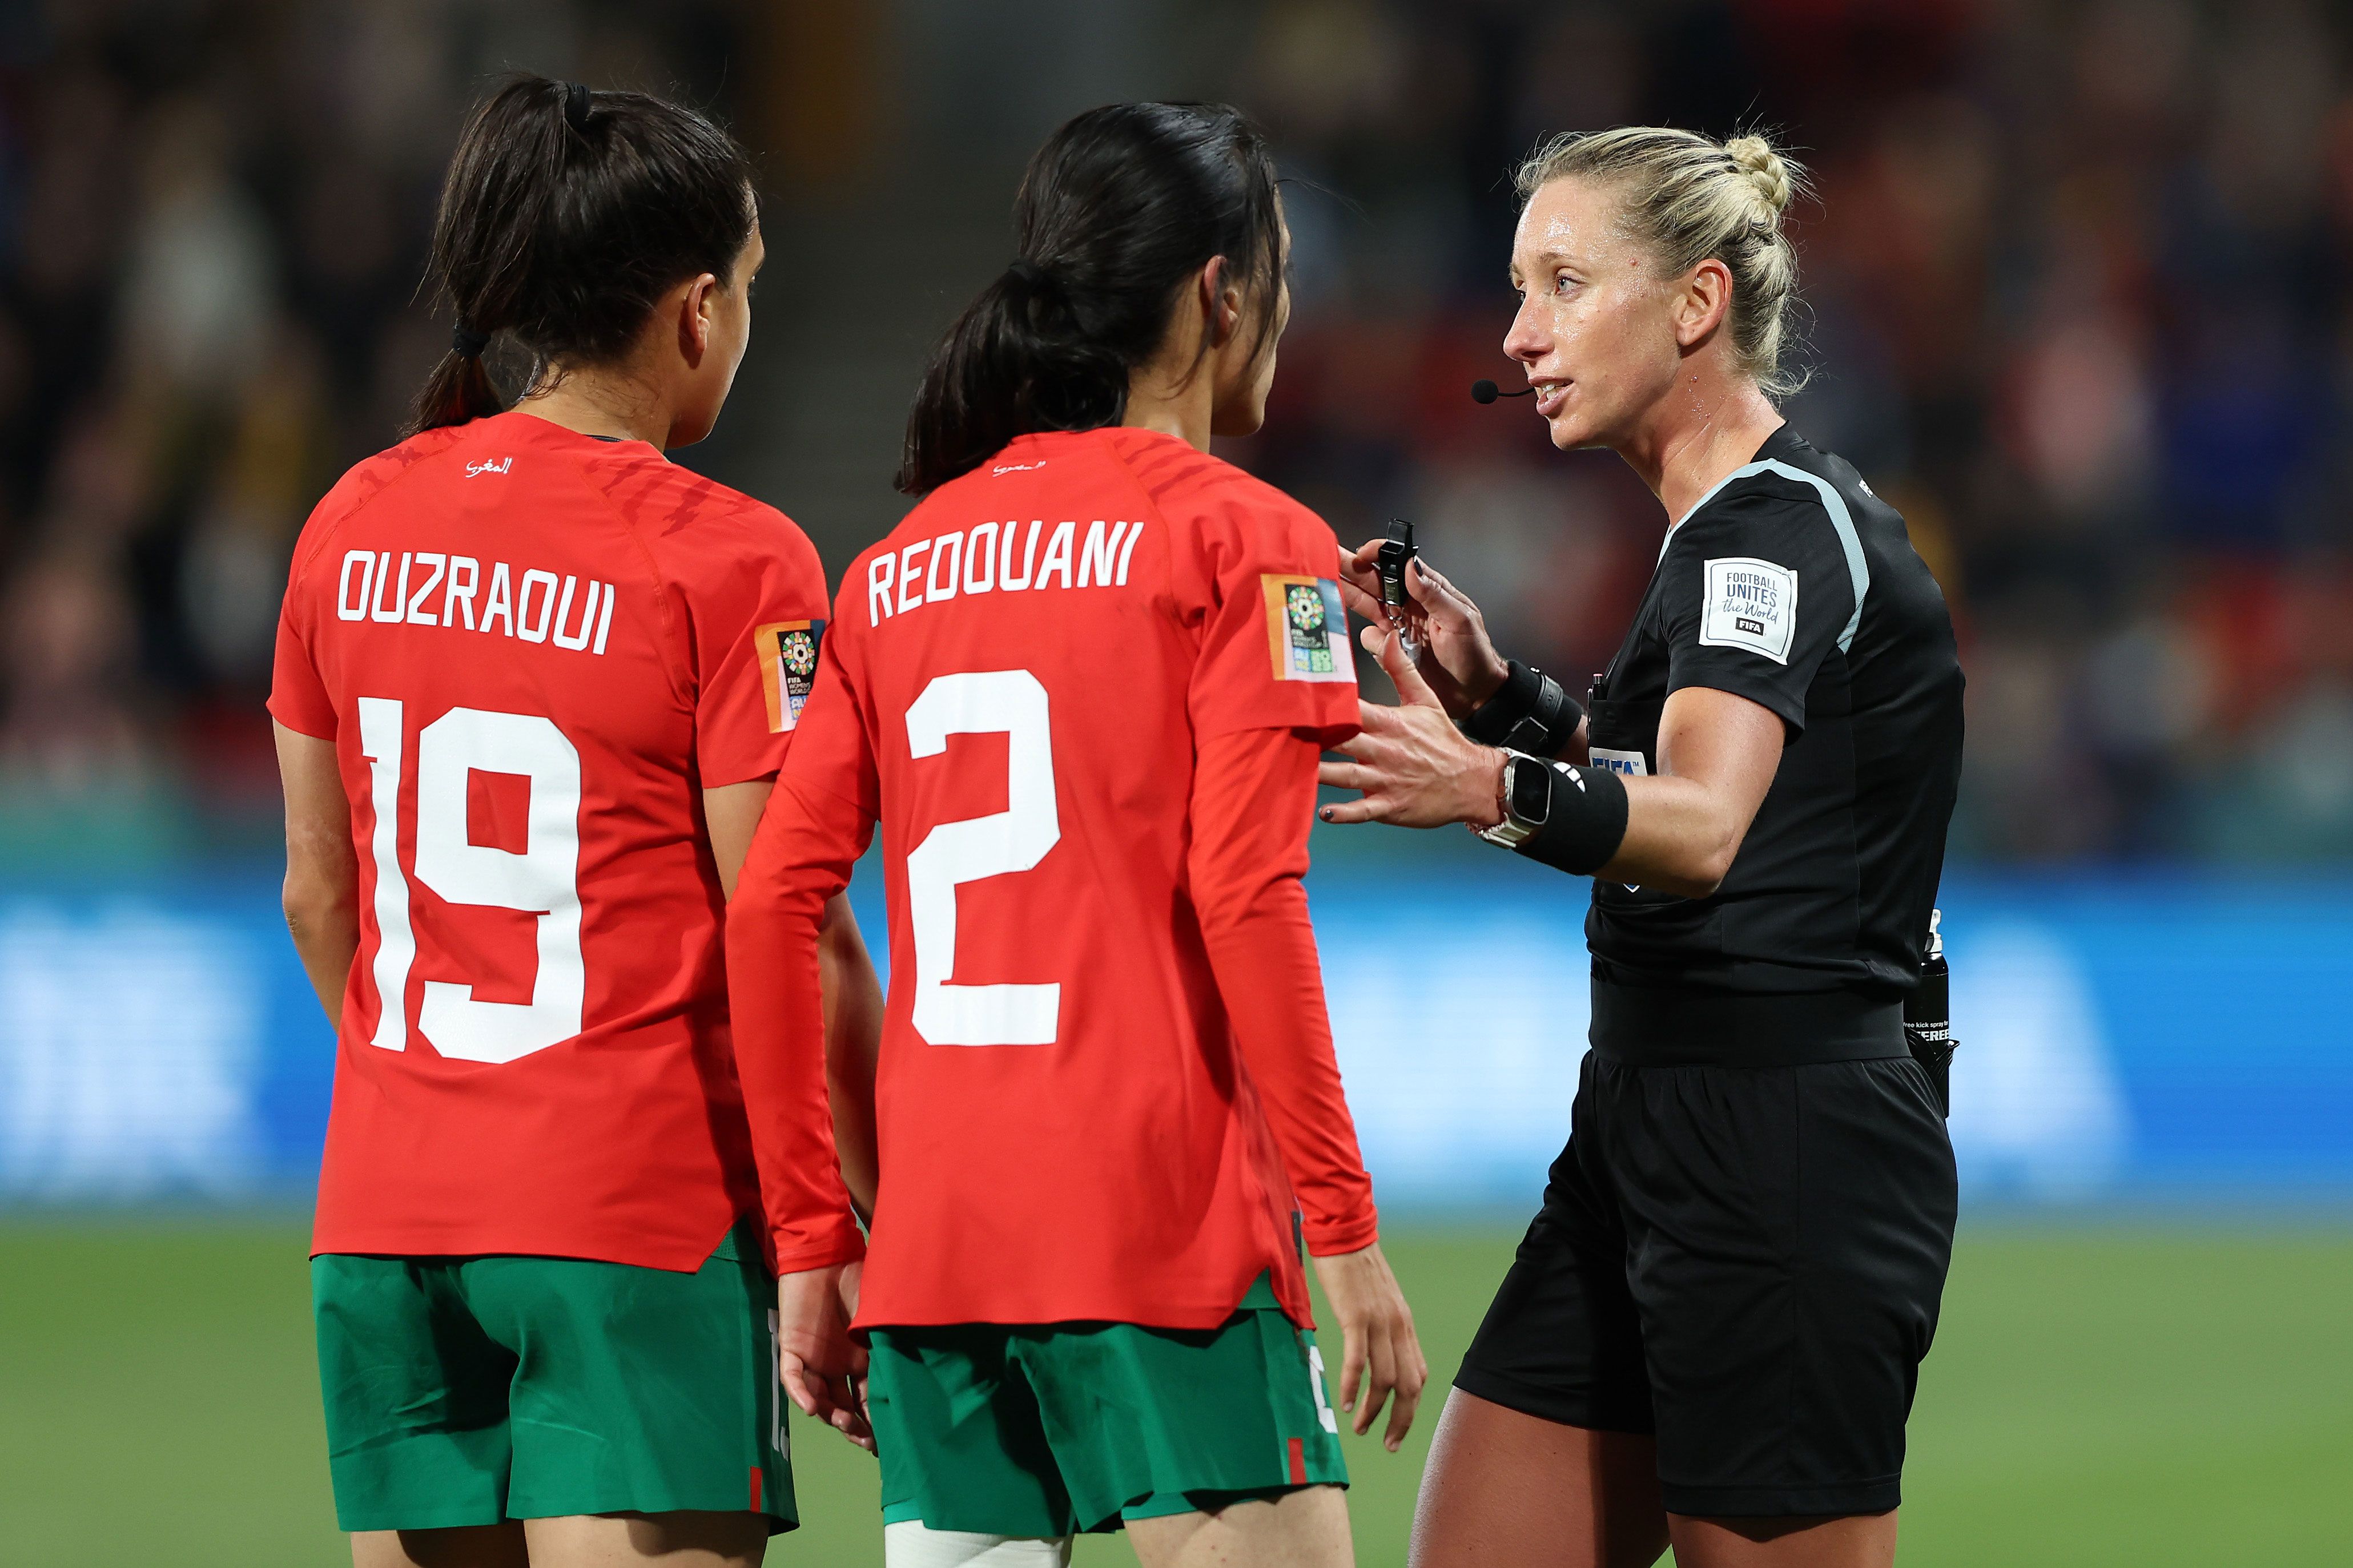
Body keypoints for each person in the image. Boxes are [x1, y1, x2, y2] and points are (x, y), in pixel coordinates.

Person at [725, 102, 1426, 1568]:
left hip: (935, 1260)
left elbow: (775, 905)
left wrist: (815, 1239)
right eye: (1281, 275)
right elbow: (1246, 893)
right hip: (1159, 1235)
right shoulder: (1252, 543)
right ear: (1220, 294)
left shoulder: (895, 568)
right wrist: (1345, 1233)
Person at [1317, 127, 1965, 1568]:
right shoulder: (1721, 538)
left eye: (1562, 283)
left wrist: (1489, 777)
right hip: (1643, 1123)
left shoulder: (1769, 538)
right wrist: (1512, 703)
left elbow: (1707, 828)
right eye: (1518, 288)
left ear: (1696, 304)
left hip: (1786, 1148)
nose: (1518, 333)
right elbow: (1709, 786)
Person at [270, 76, 881, 1568]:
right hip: (633, 1217)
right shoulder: (732, 558)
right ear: (693, 311)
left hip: (385, 1224)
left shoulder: (352, 518)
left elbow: (315, 896)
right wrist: (851, 1220)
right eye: (742, 289)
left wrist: (436, 1107)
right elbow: (789, 928)